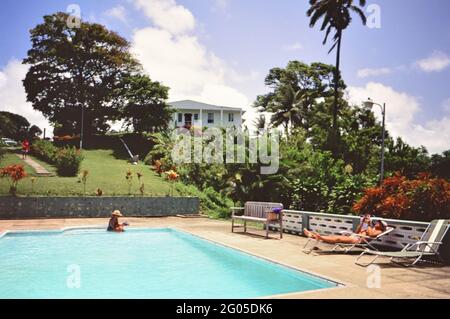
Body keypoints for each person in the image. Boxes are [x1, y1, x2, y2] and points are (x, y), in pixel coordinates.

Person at [303, 215, 387, 245]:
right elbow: (357, 231)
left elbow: (371, 235)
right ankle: (312, 235)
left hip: (357, 240)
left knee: (338, 239)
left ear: (381, 226)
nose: (377, 223)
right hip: (355, 236)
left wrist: (368, 224)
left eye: (379, 223)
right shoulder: (371, 228)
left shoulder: (378, 231)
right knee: (334, 236)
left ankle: (319, 237)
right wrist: (362, 223)